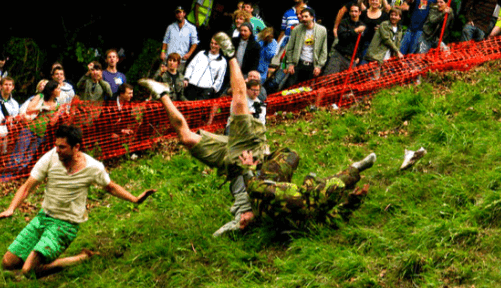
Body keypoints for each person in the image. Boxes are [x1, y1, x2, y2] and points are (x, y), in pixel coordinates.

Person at [140, 33, 374, 236]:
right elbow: (314, 191)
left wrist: (234, 224)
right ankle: (231, 55)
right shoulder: (269, 198)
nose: (243, 221)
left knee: (186, 138)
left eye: (242, 222)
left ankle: (163, 94)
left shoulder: (246, 211)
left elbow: (234, 224)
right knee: (239, 103)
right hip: (249, 152)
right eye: (245, 222)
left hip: (232, 162)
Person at [0, 124, 155, 278]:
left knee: (28, 271)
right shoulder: (51, 157)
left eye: (62, 147)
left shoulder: (93, 167)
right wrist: (11, 208)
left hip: (65, 225)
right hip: (43, 217)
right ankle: (39, 259)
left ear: (76, 147)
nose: (57, 150)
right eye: (56, 146)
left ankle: (82, 258)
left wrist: (135, 199)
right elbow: (27, 187)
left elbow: (110, 187)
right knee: (8, 263)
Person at [285, 7, 328, 87]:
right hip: (298, 63)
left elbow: (324, 50)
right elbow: (289, 48)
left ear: (312, 17)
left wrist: (319, 66)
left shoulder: (322, 30)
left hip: (312, 65)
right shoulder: (297, 29)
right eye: (302, 16)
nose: (304, 19)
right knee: (291, 88)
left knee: (307, 90)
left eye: (306, 16)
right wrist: (290, 63)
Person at [325, 3, 366, 75]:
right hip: (339, 55)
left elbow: (362, 43)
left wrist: (358, 56)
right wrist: (355, 31)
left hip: (352, 59)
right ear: (349, 12)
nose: (354, 13)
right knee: (329, 78)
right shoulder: (344, 22)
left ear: (360, 13)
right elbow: (343, 37)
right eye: (352, 11)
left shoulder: (362, 26)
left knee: (345, 82)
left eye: (356, 11)